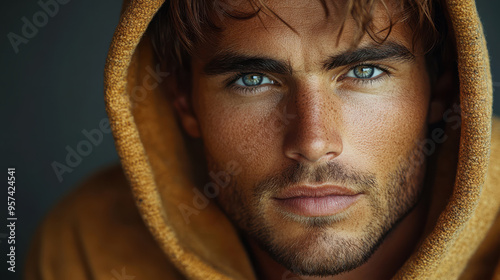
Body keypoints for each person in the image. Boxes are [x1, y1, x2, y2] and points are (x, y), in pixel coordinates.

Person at [25, 0, 500, 279]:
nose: (313, 143)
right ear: (185, 103)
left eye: (365, 71)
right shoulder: (86, 248)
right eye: (252, 80)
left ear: (443, 88)